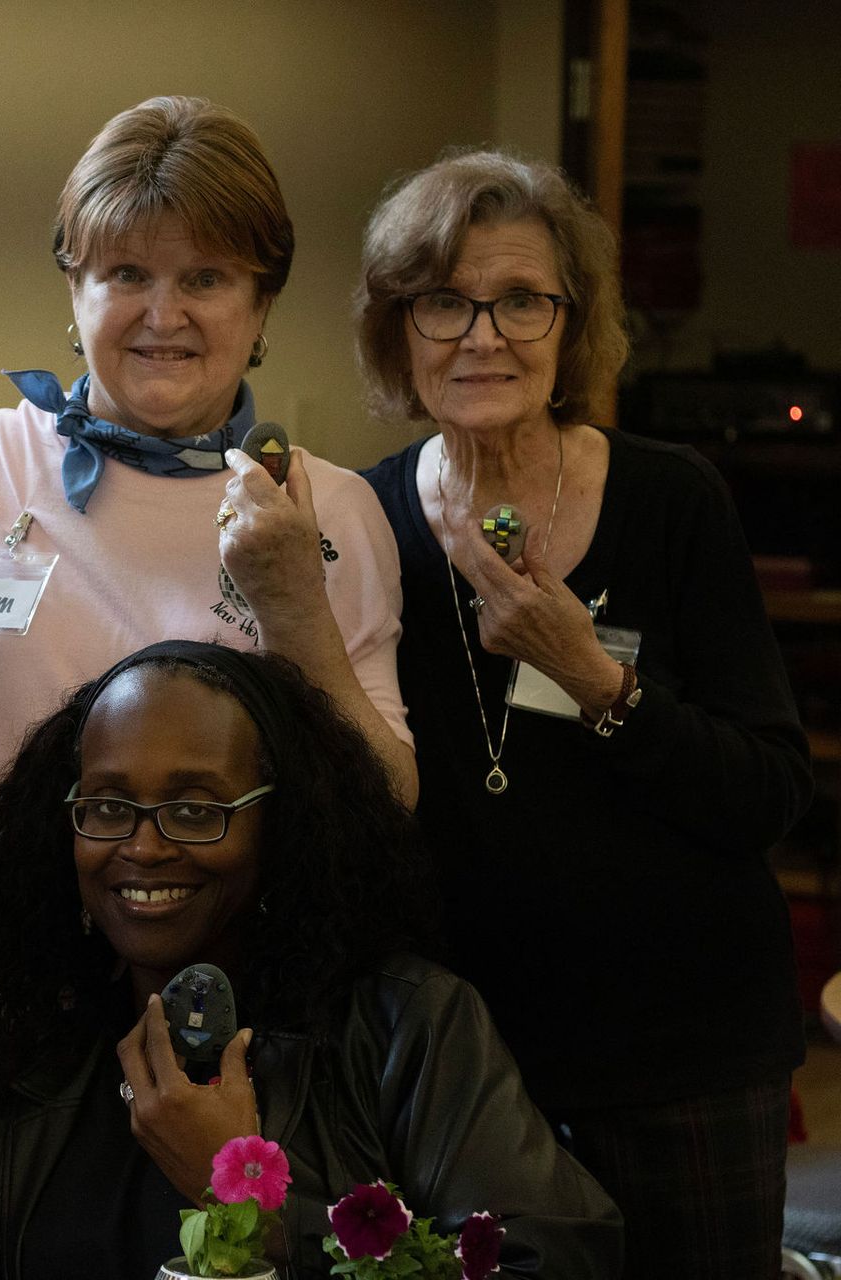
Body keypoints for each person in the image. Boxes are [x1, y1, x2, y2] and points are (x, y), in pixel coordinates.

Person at [0, 95, 415, 1137]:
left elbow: (389, 800)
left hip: (242, 1045)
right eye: (127, 275)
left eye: (206, 277)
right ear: (74, 286)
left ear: (263, 303)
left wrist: (293, 603)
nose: (165, 312)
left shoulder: (329, 511)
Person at [355, 150, 811, 1279]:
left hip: (685, 1050)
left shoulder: (672, 498)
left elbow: (769, 791)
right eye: (444, 301)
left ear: (573, 322)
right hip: (468, 1064)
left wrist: (597, 677)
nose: (482, 333)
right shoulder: (362, 519)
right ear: (397, 329)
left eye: (520, 299)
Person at [0, 640, 622, 1279]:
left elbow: (544, 1262)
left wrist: (252, 1207)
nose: (144, 848)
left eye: (196, 810)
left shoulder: (409, 1030)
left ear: (284, 829)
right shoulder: (12, 1086)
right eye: (109, 807)